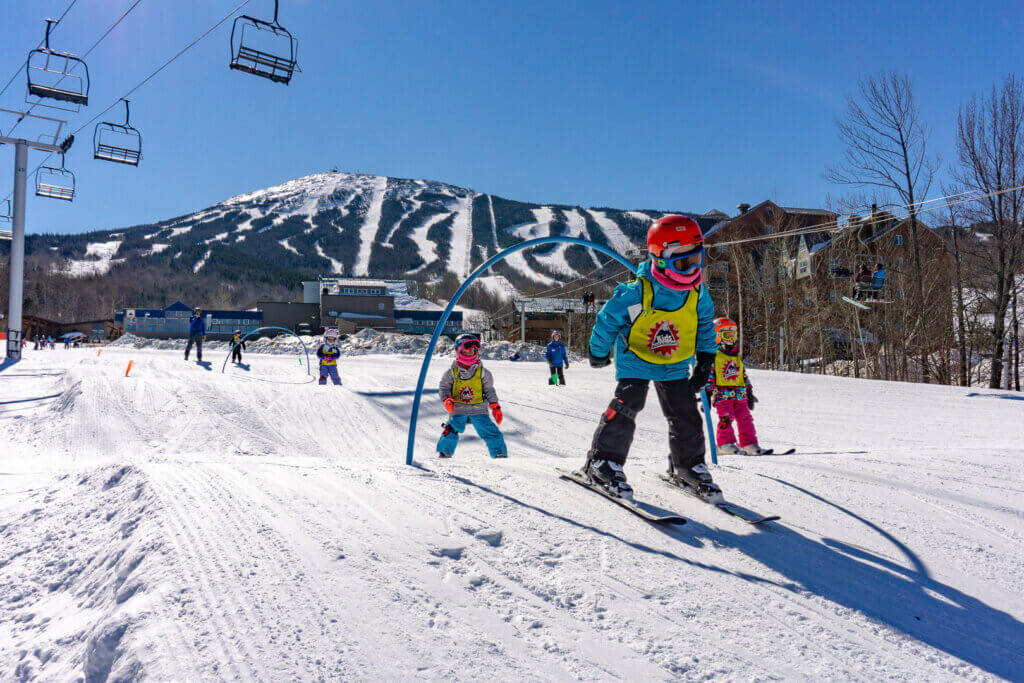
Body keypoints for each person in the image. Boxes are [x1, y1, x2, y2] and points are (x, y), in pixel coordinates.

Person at [583, 214, 719, 500]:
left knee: (686, 415)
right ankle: (603, 461)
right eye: (683, 262)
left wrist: (706, 359)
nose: (692, 269)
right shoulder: (637, 294)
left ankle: (688, 465)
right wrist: (598, 352)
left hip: (674, 364)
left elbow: (705, 324)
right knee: (627, 406)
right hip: (637, 361)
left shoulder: (697, 293)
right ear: (660, 258)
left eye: (697, 260)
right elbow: (607, 320)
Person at [437, 333, 507, 459]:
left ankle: (499, 453)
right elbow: (444, 387)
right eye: (466, 350)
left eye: (472, 351)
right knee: (451, 429)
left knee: (491, 432)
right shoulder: (452, 372)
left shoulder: (483, 372)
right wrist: (446, 398)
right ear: (459, 351)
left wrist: (495, 406)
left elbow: (489, 390)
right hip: (458, 408)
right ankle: (444, 451)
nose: (470, 353)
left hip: (478, 409)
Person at [705, 317, 767, 455]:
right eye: (728, 334)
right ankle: (724, 444)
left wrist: (749, 391)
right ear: (718, 336)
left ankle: (749, 444)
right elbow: (709, 376)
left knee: (746, 419)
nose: (732, 338)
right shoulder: (715, 355)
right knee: (726, 418)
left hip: (739, 395)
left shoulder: (735, 356)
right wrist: (708, 394)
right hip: (722, 395)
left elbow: (743, 375)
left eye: (733, 334)